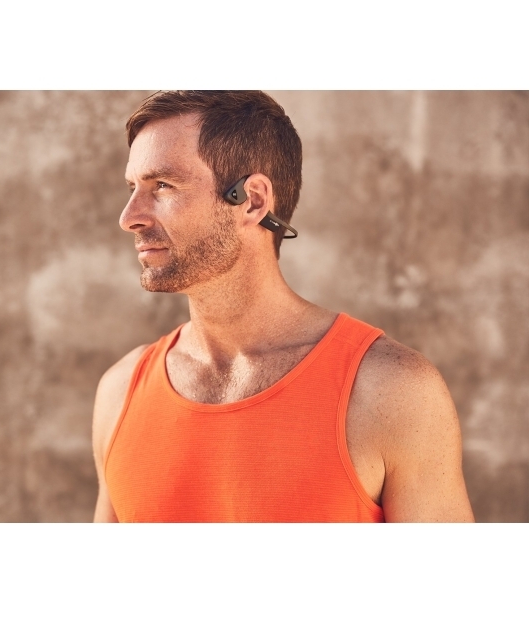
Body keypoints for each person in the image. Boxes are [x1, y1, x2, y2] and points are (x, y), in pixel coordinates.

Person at [92, 91, 475, 522]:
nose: (129, 217)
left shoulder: (392, 392)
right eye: (133, 188)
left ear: (252, 201)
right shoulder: (120, 391)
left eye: (162, 185)